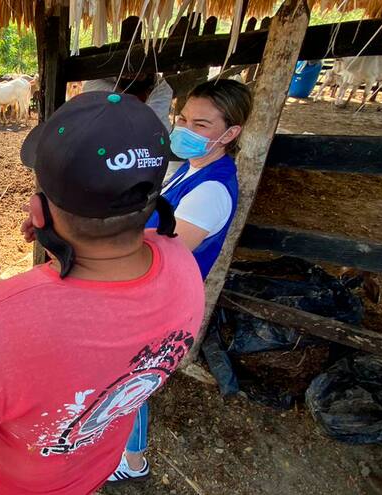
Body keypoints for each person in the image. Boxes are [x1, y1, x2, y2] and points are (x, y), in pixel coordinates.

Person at [0, 91, 205, 494]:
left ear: (37, 212)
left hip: (15, 486)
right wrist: (61, 233)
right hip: (96, 467)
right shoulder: (181, 263)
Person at [109, 78, 253, 482]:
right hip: (148, 294)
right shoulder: (192, 168)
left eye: (202, 125)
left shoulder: (212, 190)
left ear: (231, 132)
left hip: (159, 303)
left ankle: (133, 462)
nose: (186, 129)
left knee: (130, 382)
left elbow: (158, 255)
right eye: (184, 118)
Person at [82, 74, 174, 130]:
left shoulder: (160, 88)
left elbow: (153, 123)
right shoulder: (106, 80)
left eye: (139, 75)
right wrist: (121, 94)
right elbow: (89, 86)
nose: (132, 75)